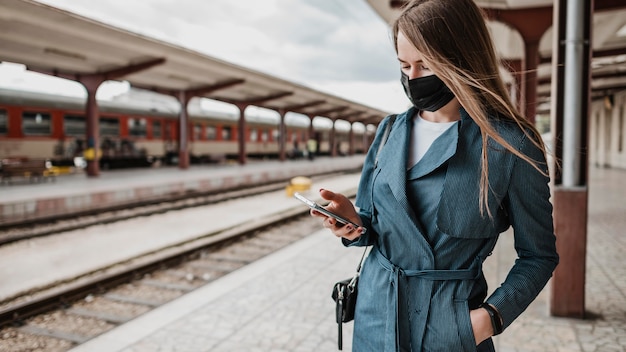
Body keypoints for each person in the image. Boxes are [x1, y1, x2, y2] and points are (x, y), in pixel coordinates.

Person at [309, 0, 559, 351]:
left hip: (450, 330)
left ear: (462, 59)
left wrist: (489, 318)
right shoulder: (389, 131)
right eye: (404, 65)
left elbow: (539, 255)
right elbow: (372, 225)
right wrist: (351, 223)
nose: (411, 78)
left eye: (425, 65)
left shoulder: (510, 145)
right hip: (374, 317)